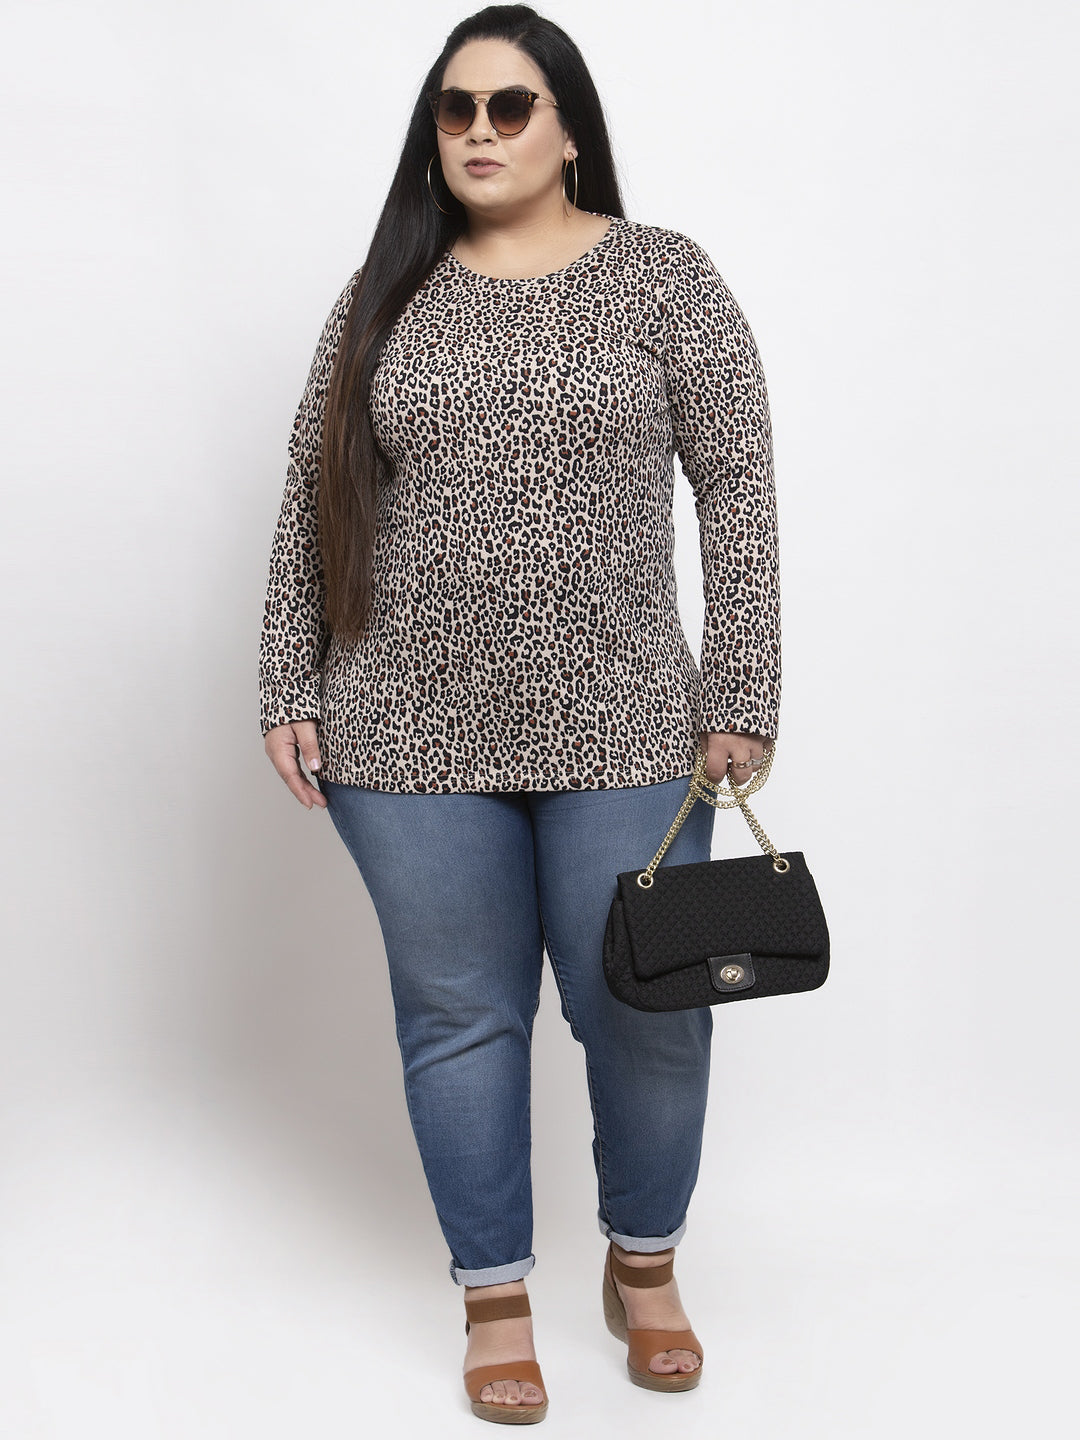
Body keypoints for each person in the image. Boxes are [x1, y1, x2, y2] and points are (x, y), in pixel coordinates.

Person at [259, 4, 780, 1424]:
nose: (479, 131)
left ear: (568, 129)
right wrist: (287, 679)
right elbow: (318, 493)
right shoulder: (384, 294)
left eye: (509, 106)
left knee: (651, 1009)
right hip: (404, 732)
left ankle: (644, 1267)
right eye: (456, 108)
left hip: (629, 723)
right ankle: (494, 1294)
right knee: (459, 1017)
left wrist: (743, 686)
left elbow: (735, 484)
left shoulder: (664, 276)